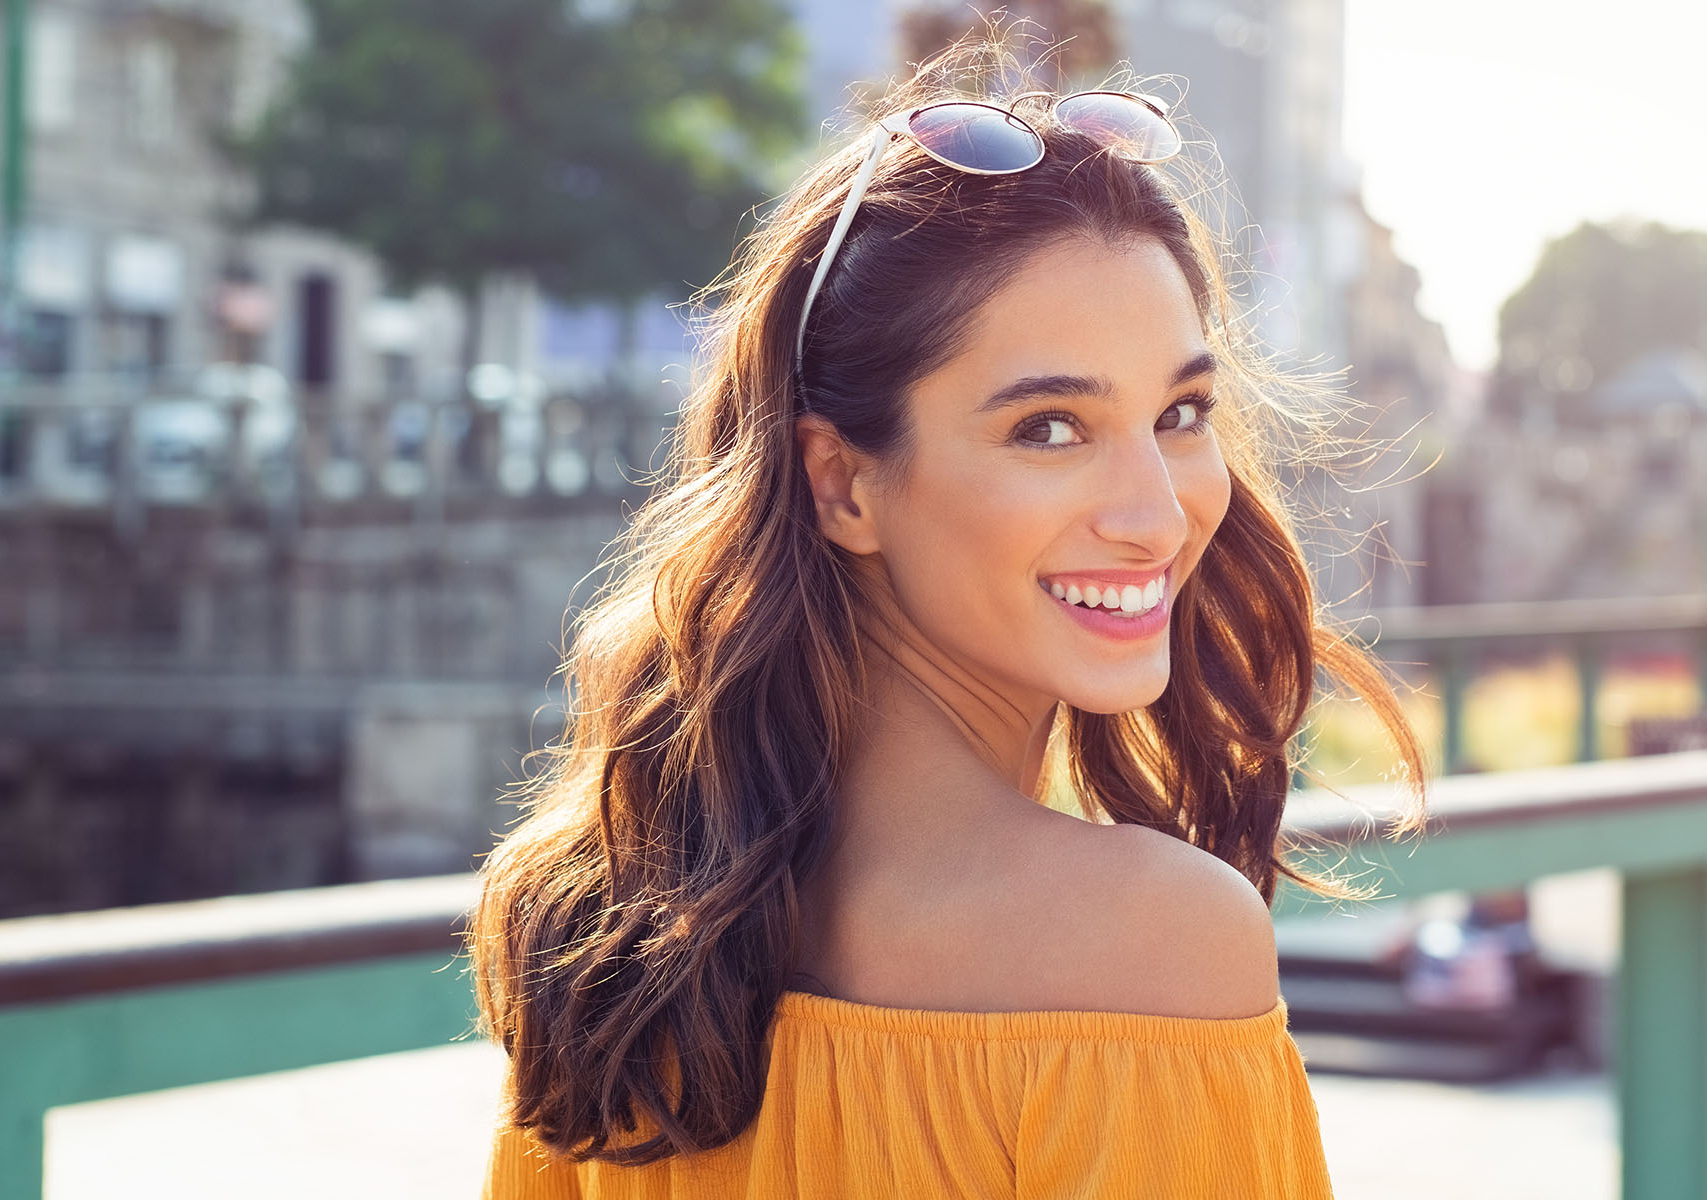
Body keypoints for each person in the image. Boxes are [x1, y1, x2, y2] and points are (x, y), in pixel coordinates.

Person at [470, 39, 1427, 1198]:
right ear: (843, 483)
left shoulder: (607, 924)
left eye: (1180, 412)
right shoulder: (1151, 944)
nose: (1157, 513)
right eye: (1050, 428)